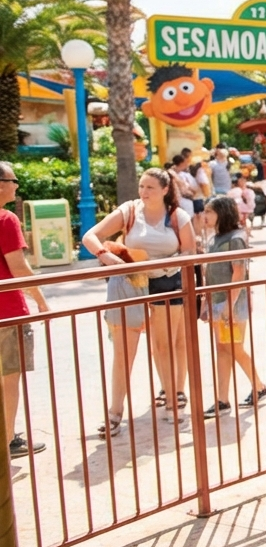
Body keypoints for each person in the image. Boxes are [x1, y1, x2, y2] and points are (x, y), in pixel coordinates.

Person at [82, 168, 195, 431]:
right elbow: (90, 235)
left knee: (163, 345)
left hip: (166, 282)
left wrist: (169, 263)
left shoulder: (177, 216)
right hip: (131, 283)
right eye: (141, 186)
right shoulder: (130, 211)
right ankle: (115, 412)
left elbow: (190, 250)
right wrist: (107, 256)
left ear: (165, 190)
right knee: (124, 350)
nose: (144, 192)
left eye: (150, 188)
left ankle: (171, 401)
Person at [200, 196, 266, 419]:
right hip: (217, 301)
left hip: (232, 304)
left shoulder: (236, 238)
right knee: (224, 348)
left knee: (233, 347)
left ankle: (258, 386)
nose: (205, 216)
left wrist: (229, 304)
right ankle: (222, 399)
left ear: (222, 213)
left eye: (210, 211)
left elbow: (238, 272)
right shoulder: (214, 238)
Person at [0, 162, 49, 457]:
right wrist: (41, 301)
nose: (16, 185)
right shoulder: (6, 219)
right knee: (9, 380)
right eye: (13, 180)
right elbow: (19, 267)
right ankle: (5, 447)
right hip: (7, 311)